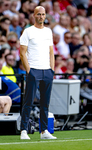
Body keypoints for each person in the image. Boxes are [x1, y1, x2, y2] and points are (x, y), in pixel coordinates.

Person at [19, 6, 56, 140]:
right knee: (28, 101)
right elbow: (22, 53)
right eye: (39, 14)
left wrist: (52, 69)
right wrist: (29, 70)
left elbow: (51, 52)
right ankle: (23, 130)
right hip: (34, 69)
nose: (41, 17)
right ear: (34, 15)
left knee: (45, 103)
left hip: (47, 70)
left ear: (45, 16)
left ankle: (44, 131)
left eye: (43, 14)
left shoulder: (48, 31)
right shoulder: (28, 31)